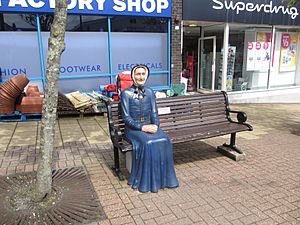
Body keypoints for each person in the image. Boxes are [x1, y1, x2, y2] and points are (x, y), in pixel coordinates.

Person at [120, 64, 179, 193]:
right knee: (148, 142)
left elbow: (154, 113)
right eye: (138, 74)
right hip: (133, 129)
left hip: (149, 127)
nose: (140, 77)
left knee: (165, 139)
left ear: (146, 76)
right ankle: (146, 181)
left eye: (143, 74)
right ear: (133, 76)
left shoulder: (150, 92)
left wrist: (155, 125)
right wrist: (143, 127)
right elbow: (126, 118)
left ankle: (165, 180)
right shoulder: (126, 94)